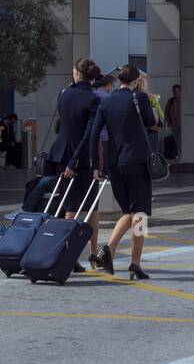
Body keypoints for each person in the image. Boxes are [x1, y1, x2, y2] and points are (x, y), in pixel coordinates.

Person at [88, 64, 159, 280]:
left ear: (120, 80)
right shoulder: (140, 98)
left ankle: (107, 250)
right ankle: (134, 262)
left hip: (114, 164)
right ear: (137, 81)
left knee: (128, 211)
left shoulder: (107, 101)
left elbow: (94, 133)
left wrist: (94, 165)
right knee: (140, 214)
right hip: (137, 161)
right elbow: (151, 122)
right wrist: (146, 93)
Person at [48, 59, 102, 272]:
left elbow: (63, 126)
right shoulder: (93, 99)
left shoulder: (64, 94)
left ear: (77, 74)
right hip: (81, 158)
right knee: (86, 208)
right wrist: (77, 160)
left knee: (73, 206)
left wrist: (71, 160)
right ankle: (79, 254)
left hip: (63, 155)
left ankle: (79, 254)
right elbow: (88, 136)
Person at [165, 83, 182, 157]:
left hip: (182, 125)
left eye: (176, 91)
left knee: (182, 140)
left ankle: (182, 153)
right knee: (177, 140)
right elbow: (166, 112)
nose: (174, 93)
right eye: (173, 91)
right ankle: (180, 153)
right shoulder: (171, 101)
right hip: (174, 125)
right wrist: (168, 122)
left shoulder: (183, 100)